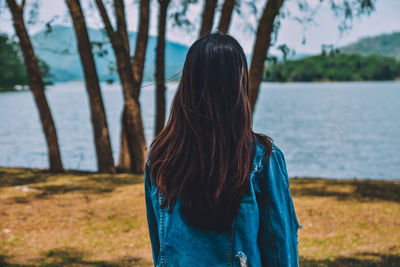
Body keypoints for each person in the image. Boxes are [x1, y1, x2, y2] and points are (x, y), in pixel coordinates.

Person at [145, 32, 300, 267]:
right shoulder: (262, 159)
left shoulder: (161, 160)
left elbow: (161, 251)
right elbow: (281, 253)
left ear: (188, 84)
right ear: (238, 85)